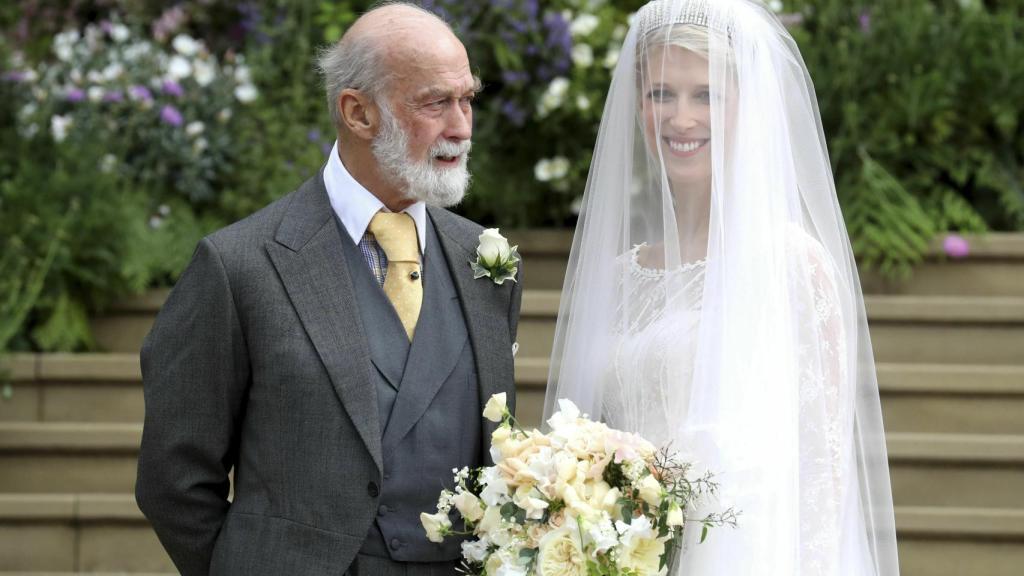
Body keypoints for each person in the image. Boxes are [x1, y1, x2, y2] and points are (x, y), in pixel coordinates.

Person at [135, 3, 522, 575]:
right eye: (435, 103)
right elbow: (174, 480)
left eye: (467, 100)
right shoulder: (237, 266)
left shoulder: (487, 262)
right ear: (358, 112)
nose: (462, 127)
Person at [543, 0, 899, 574]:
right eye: (662, 93)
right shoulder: (618, 277)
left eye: (706, 95)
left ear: (748, 108)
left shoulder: (790, 264)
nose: (681, 118)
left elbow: (820, 471)